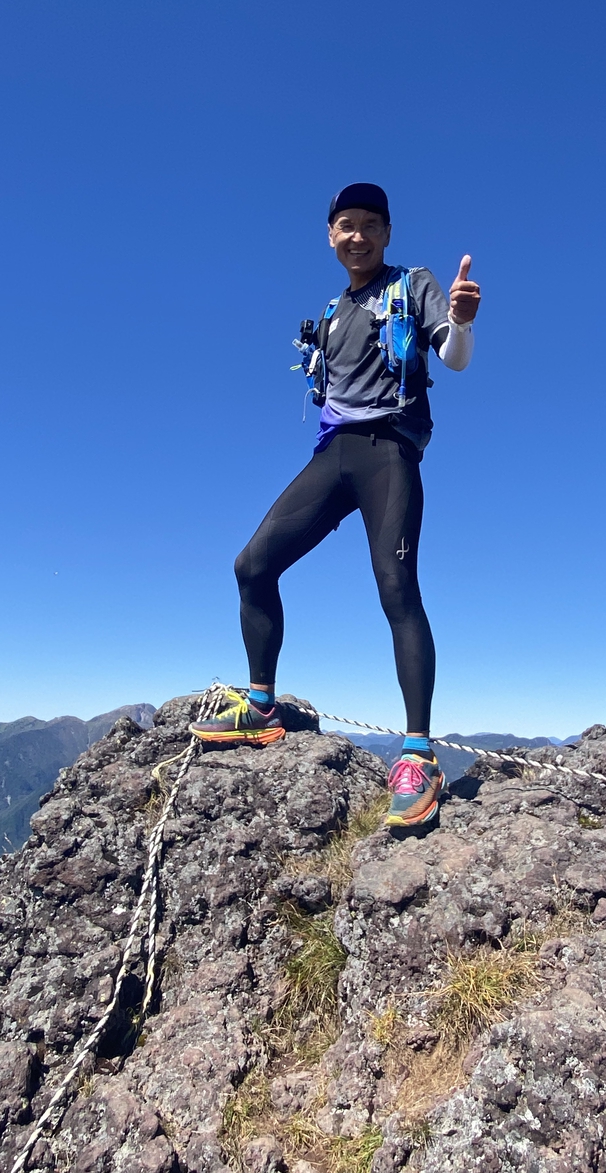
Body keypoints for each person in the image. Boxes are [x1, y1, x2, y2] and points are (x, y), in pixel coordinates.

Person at [190, 183, 480, 827]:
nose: (358, 236)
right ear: (331, 235)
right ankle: (262, 708)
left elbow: (453, 361)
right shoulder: (332, 310)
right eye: (346, 225)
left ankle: (417, 755)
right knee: (252, 566)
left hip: (388, 452)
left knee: (396, 586)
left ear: (387, 233)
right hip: (332, 456)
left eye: (370, 225)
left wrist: (459, 321)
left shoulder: (416, 284)